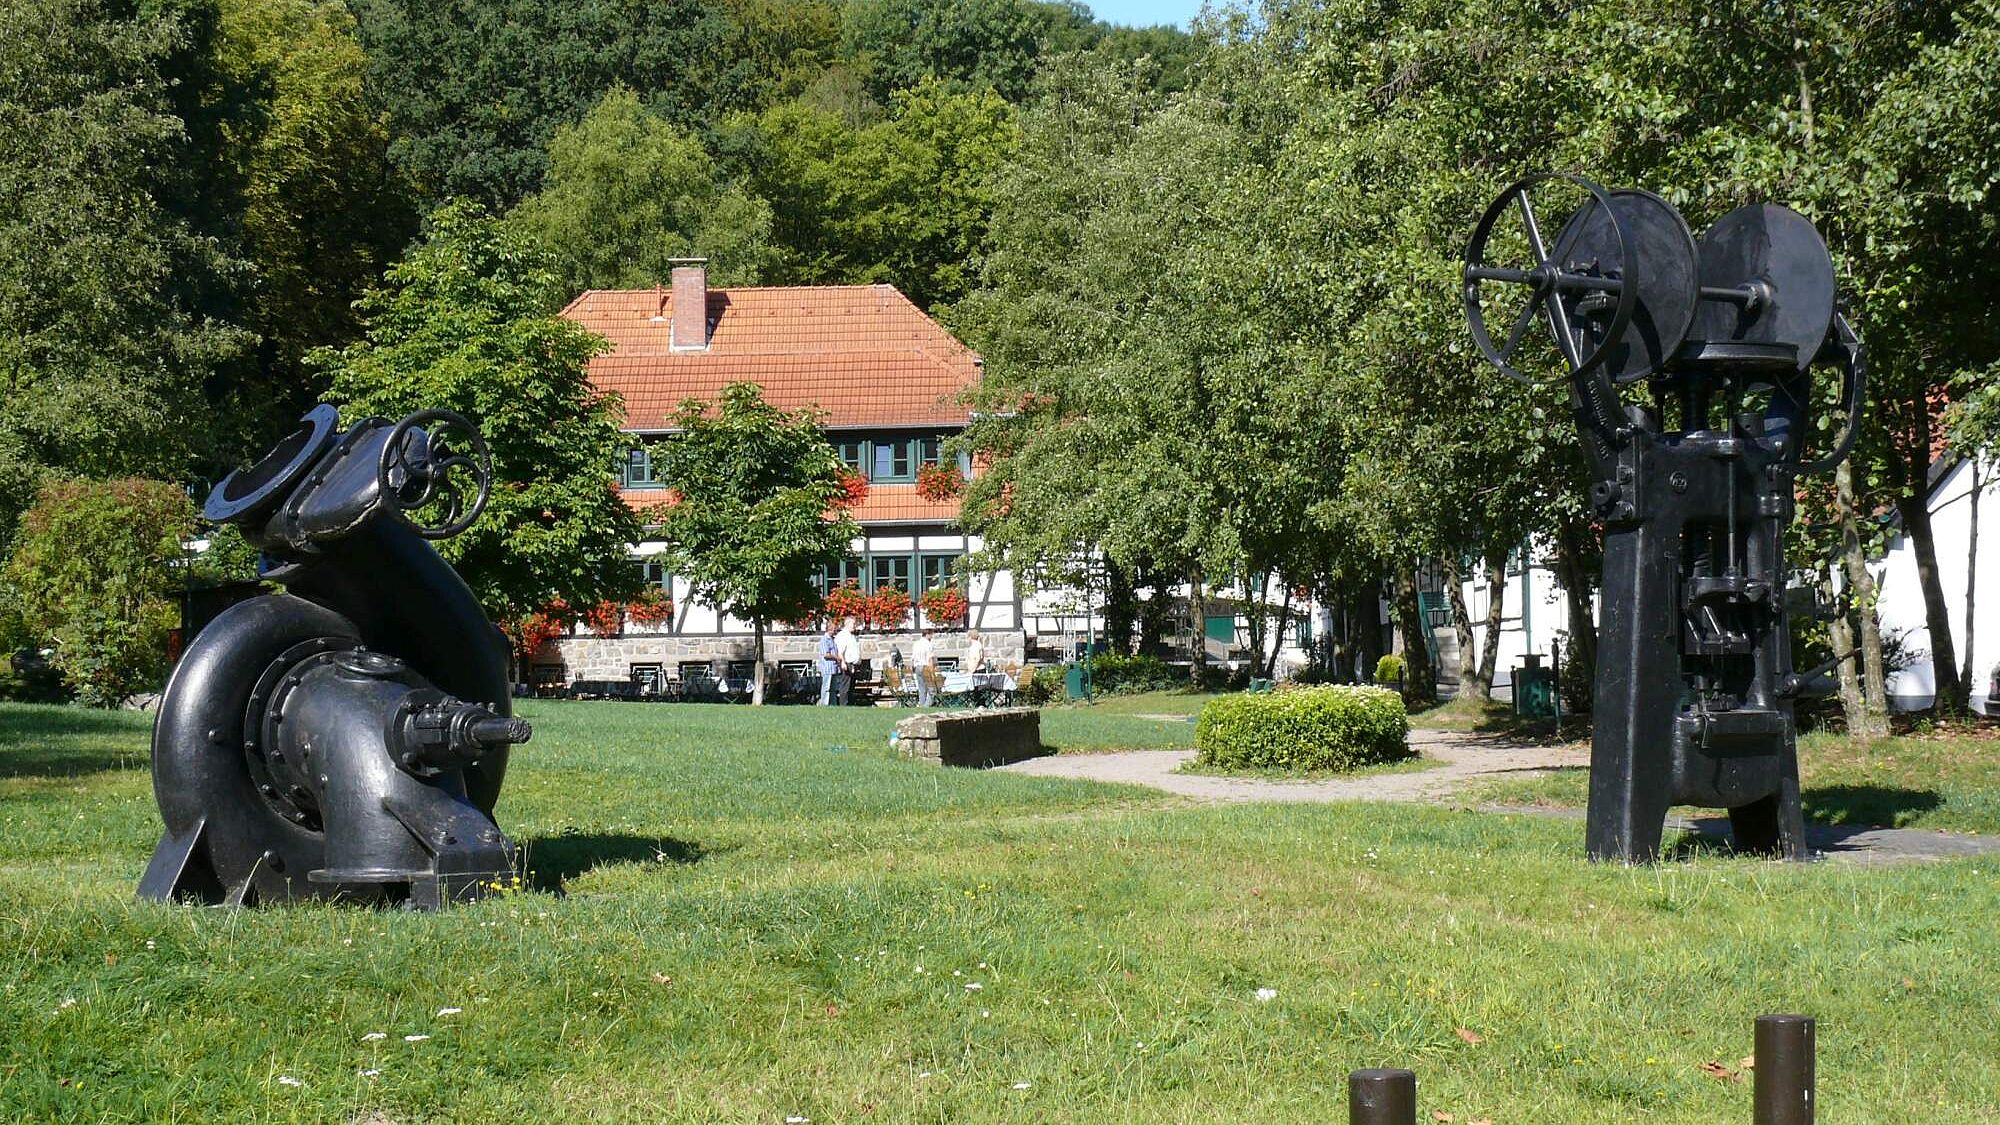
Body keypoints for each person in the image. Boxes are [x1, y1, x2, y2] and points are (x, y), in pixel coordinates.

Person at [834, 616, 860, 705]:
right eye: (853, 624)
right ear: (847, 624)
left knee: (851, 687)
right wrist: (843, 663)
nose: (855, 626)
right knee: (845, 686)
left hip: (852, 664)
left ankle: (850, 705)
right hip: (846, 664)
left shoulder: (851, 636)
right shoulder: (842, 635)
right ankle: (843, 705)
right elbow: (840, 651)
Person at [912, 628, 937, 707]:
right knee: (932, 689)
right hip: (925, 666)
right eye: (931, 635)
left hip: (917, 666)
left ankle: (922, 705)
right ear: (928, 634)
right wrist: (932, 671)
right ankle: (926, 706)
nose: (932, 637)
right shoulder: (928, 644)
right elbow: (930, 659)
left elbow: (913, 658)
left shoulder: (916, 644)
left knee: (922, 688)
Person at [816, 622, 839, 705]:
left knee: (833, 689)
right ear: (830, 629)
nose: (836, 630)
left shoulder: (832, 639)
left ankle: (833, 704)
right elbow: (826, 655)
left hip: (834, 668)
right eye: (834, 629)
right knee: (826, 687)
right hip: (827, 667)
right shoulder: (824, 640)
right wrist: (836, 658)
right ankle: (824, 704)